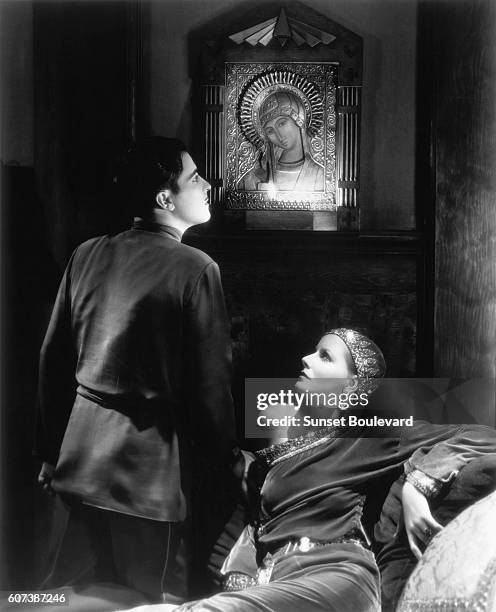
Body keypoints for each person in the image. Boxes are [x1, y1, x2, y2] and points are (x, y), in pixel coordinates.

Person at [119, 328, 496, 612]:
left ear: (352, 387)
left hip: (336, 575)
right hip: (278, 581)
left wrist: (419, 483)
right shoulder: (276, 460)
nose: (306, 359)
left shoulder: (368, 437)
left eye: (324, 357)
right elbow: (254, 527)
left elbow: (480, 435)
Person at [36, 137, 246, 605]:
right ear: (164, 198)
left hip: (77, 458)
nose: (207, 184)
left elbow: (53, 364)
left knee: (61, 600)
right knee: (148, 602)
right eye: (195, 177)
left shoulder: (86, 253)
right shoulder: (196, 268)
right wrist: (229, 463)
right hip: (148, 472)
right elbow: (211, 388)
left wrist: (50, 453)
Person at [237, 91, 324, 193]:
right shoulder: (253, 178)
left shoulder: (319, 174)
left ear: (299, 119)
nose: (279, 135)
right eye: (270, 131)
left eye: (282, 123)